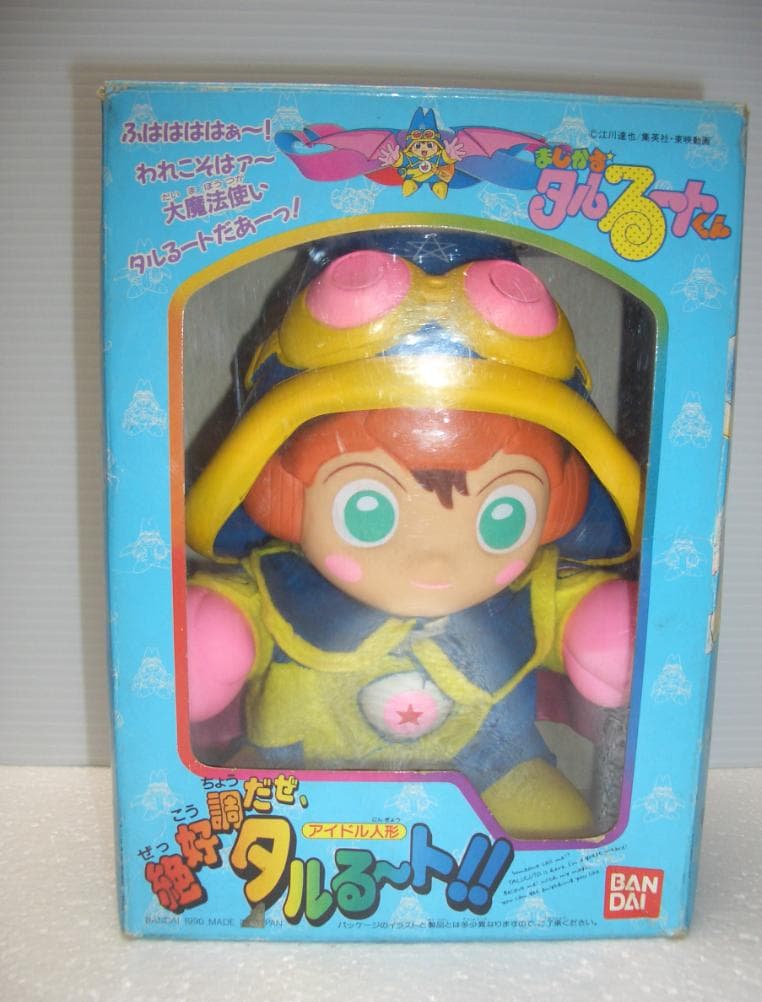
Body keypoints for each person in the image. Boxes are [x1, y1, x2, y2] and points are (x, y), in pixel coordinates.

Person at [185, 241, 640, 839]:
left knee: (558, 838)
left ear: (558, 507)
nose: (434, 559)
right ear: (283, 493)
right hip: (296, 771)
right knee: (239, 836)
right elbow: (228, 621)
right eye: (366, 511)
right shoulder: (279, 589)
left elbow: (581, 618)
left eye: (501, 517)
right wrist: (213, 633)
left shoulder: (531, 593)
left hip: (495, 766)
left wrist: (608, 628)